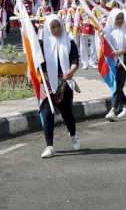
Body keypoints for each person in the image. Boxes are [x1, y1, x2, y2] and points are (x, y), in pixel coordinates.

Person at [39, 15, 81, 158]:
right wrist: (45, 75)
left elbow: (75, 60)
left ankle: (73, 135)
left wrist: (71, 71)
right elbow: (38, 63)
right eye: (53, 27)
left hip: (64, 82)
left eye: (58, 26)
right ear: (48, 28)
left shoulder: (69, 42)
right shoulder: (42, 45)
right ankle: (49, 146)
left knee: (67, 113)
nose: (56, 29)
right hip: (47, 82)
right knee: (47, 113)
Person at [102, 9, 126, 120]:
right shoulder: (107, 31)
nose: (120, 20)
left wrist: (121, 51)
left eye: (121, 18)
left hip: (123, 62)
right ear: (112, 18)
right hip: (111, 63)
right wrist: (102, 37)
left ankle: (113, 110)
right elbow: (104, 46)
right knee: (118, 86)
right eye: (117, 18)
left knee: (117, 86)